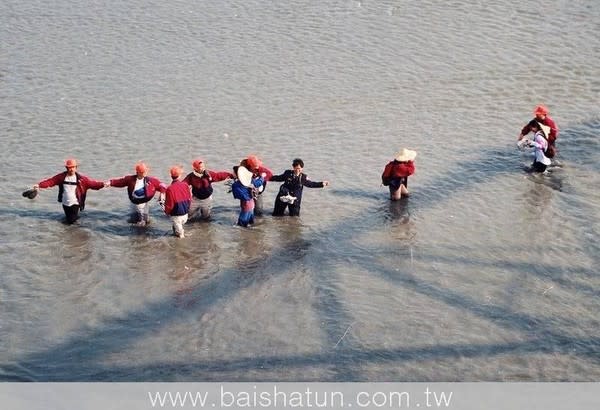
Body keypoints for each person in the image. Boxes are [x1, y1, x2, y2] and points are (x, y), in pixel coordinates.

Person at [31, 159, 105, 224]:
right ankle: (72, 229)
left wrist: (103, 184)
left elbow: (93, 184)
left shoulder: (82, 179)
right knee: (68, 219)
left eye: (73, 167)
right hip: (65, 203)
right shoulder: (61, 177)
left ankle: (74, 233)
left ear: (76, 168)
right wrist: (39, 185)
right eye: (69, 167)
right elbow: (50, 181)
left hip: (75, 203)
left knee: (71, 221)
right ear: (66, 168)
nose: (71, 169)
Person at [105, 162, 167, 226]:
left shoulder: (151, 181)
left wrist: (162, 193)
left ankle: (142, 234)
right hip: (133, 203)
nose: (146, 172)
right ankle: (134, 233)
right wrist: (110, 182)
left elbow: (162, 185)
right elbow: (120, 182)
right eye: (143, 171)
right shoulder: (130, 179)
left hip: (143, 204)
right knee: (133, 221)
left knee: (143, 223)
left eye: (146, 171)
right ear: (138, 172)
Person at [230, 162, 265, 227]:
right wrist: (262, 177)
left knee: (241, 225)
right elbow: (258, 183)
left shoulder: (236, 185)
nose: (232, 174)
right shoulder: (250, 180)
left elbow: (237, 195)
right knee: (251, 222)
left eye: (233, 172)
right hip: (251, 203)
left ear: (237, 174)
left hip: (246, 205)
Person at [164, 166, 192, 238]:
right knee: (177, 229)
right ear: (180, 176)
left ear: (171, 176)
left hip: (176, 215)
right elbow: (190, 198)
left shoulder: (169, 189)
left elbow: (169, 204)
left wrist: (166, 212)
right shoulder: (185, 185)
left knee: (180, 235)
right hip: (185, 213)